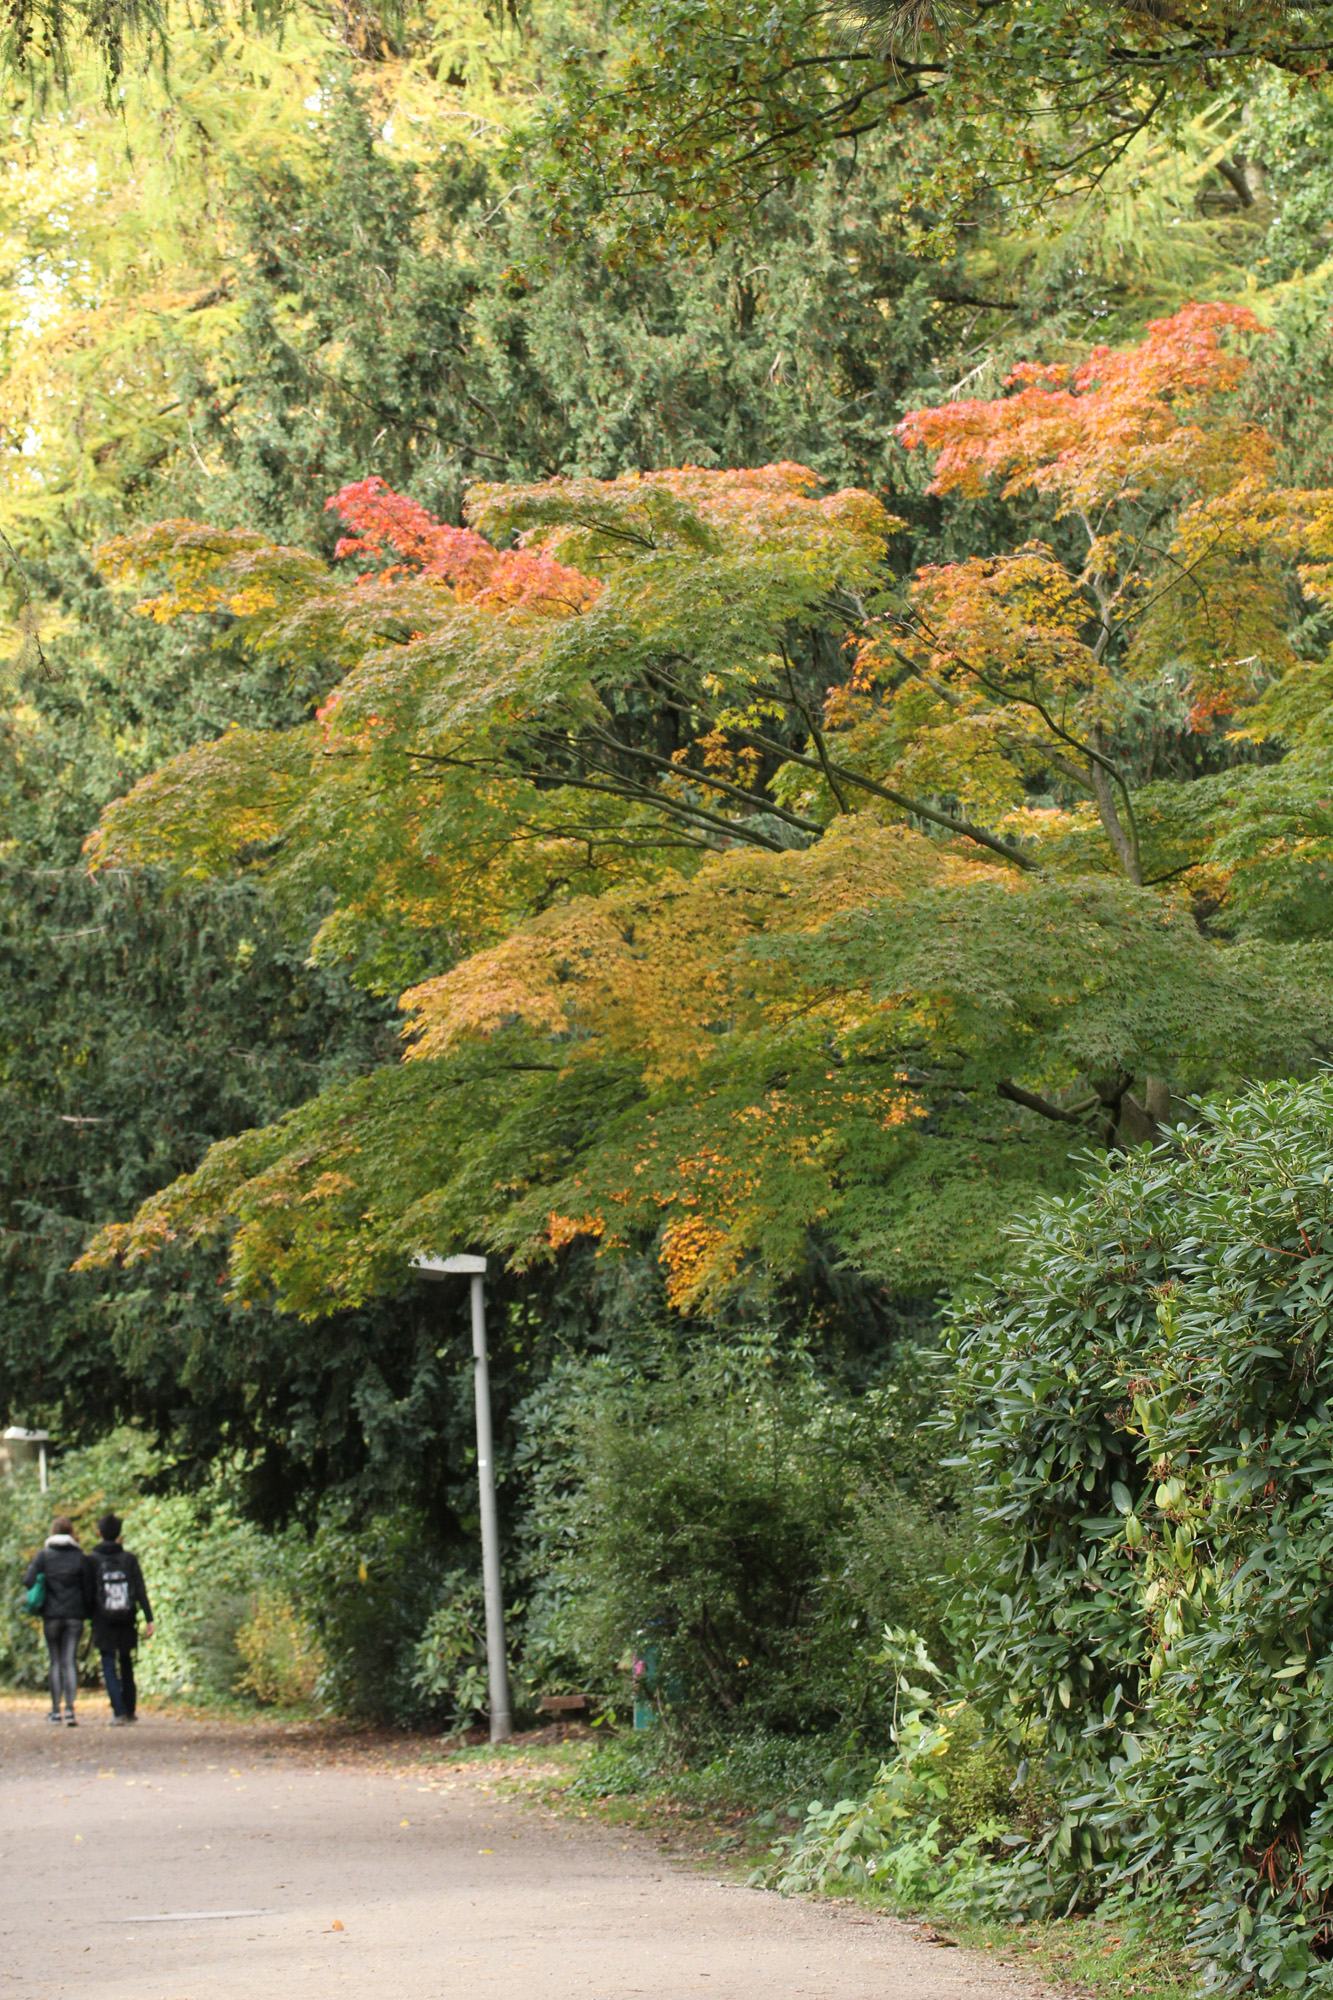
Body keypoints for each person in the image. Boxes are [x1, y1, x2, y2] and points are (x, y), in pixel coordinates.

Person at [23, 1516, 91, 1727]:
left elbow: (28, 1580)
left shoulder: (44, 1556)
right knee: (69, 1661)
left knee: (55, 1662)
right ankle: (70, 1711)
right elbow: (89, 1589)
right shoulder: (80, 1557)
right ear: (71, 1533)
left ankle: (55, 1712)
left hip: (51, 1616)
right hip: (74, 1616)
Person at [87, 1513, 154, 1726]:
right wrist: (149, 1618)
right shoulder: (129, 1559)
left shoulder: (92, 1560)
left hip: (103, 1619)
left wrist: (89, 1617)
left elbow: (88, 1592)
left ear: (99, 1533)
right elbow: (140, 1589)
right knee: (126, 1662)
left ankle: (119, 1712)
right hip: (127, 1618)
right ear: (119, 1534)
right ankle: (131, 1709)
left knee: (108, 1663)